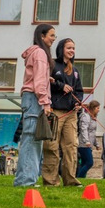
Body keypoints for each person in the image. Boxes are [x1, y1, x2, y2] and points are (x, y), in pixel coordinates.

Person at [13, 24, 55, 187]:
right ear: (42, 36)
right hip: (35, 100)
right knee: (31, 139)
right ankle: (25, 180)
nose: (53, 39)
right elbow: (38, 82)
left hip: (31, 98)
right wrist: (45, 102)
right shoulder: (40, 53)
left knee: (32, 139)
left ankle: (27, 178)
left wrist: (46, 78)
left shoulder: (37, 53)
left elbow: (37, 77)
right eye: (51, 35)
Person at [43, 37, 82, 187]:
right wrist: (61, 86)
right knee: (51, 146)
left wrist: (78, 102)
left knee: (71, 146)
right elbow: (46, 81)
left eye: (73, 48)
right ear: (61, 49)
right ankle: (51, 180)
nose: (72, 51)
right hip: (55, 112)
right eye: (69, 48)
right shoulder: (53, 65)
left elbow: (79, 91)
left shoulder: (75, 70)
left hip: (71, 114)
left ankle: (70, 180)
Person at [77, 100, 101, 179]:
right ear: (93, 108)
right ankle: (79, 177)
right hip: (83, 144)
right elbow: (84, 129)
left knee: (84, 163)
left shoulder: (93, 118)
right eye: (97, 108)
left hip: (89, 144)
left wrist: (96, 144)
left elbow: (93, 132)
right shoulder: (86, 117)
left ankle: (82, 179)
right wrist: (86, 141)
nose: (99, 110)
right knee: (89, 162)